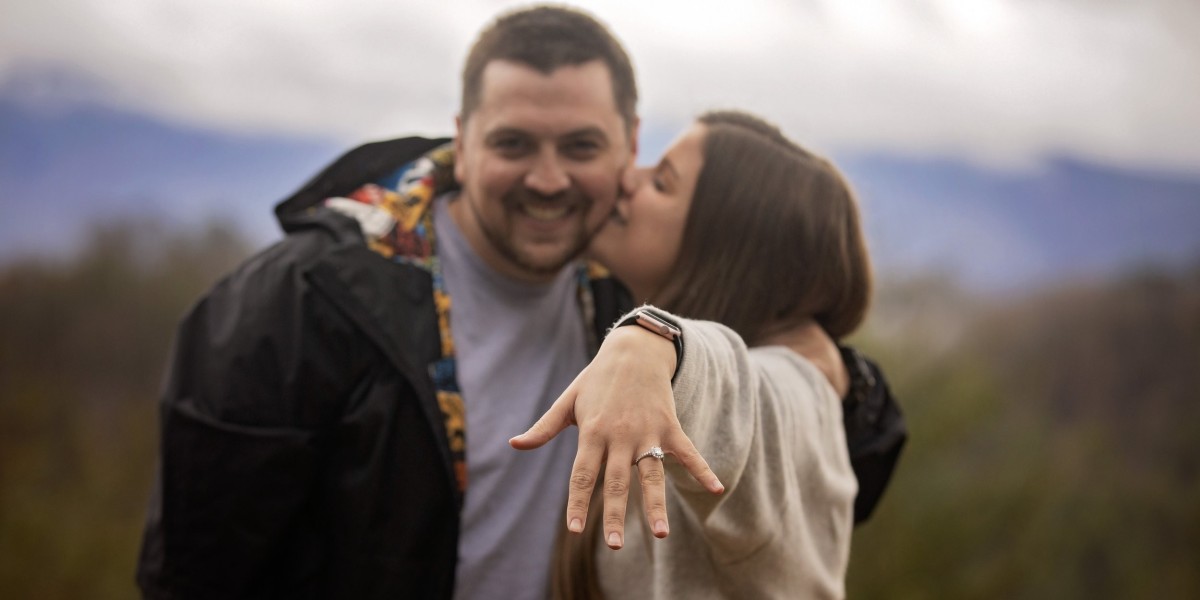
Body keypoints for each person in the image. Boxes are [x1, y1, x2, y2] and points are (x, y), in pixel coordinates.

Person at [136, 6, 903, 599]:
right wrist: (653, 343)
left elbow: (808, 463)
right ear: (462, 139)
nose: (547, 180)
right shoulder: (294, 306)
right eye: (513, 145)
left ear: (628, 144)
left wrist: (845, 380)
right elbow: (200, 573)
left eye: (580, 147)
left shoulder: (623, 280)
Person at [512, 111, 882, 599]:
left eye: (661, 182)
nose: (628, 178)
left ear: (728, 245)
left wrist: (649, 344)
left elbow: (747, 399)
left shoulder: (801, 392)